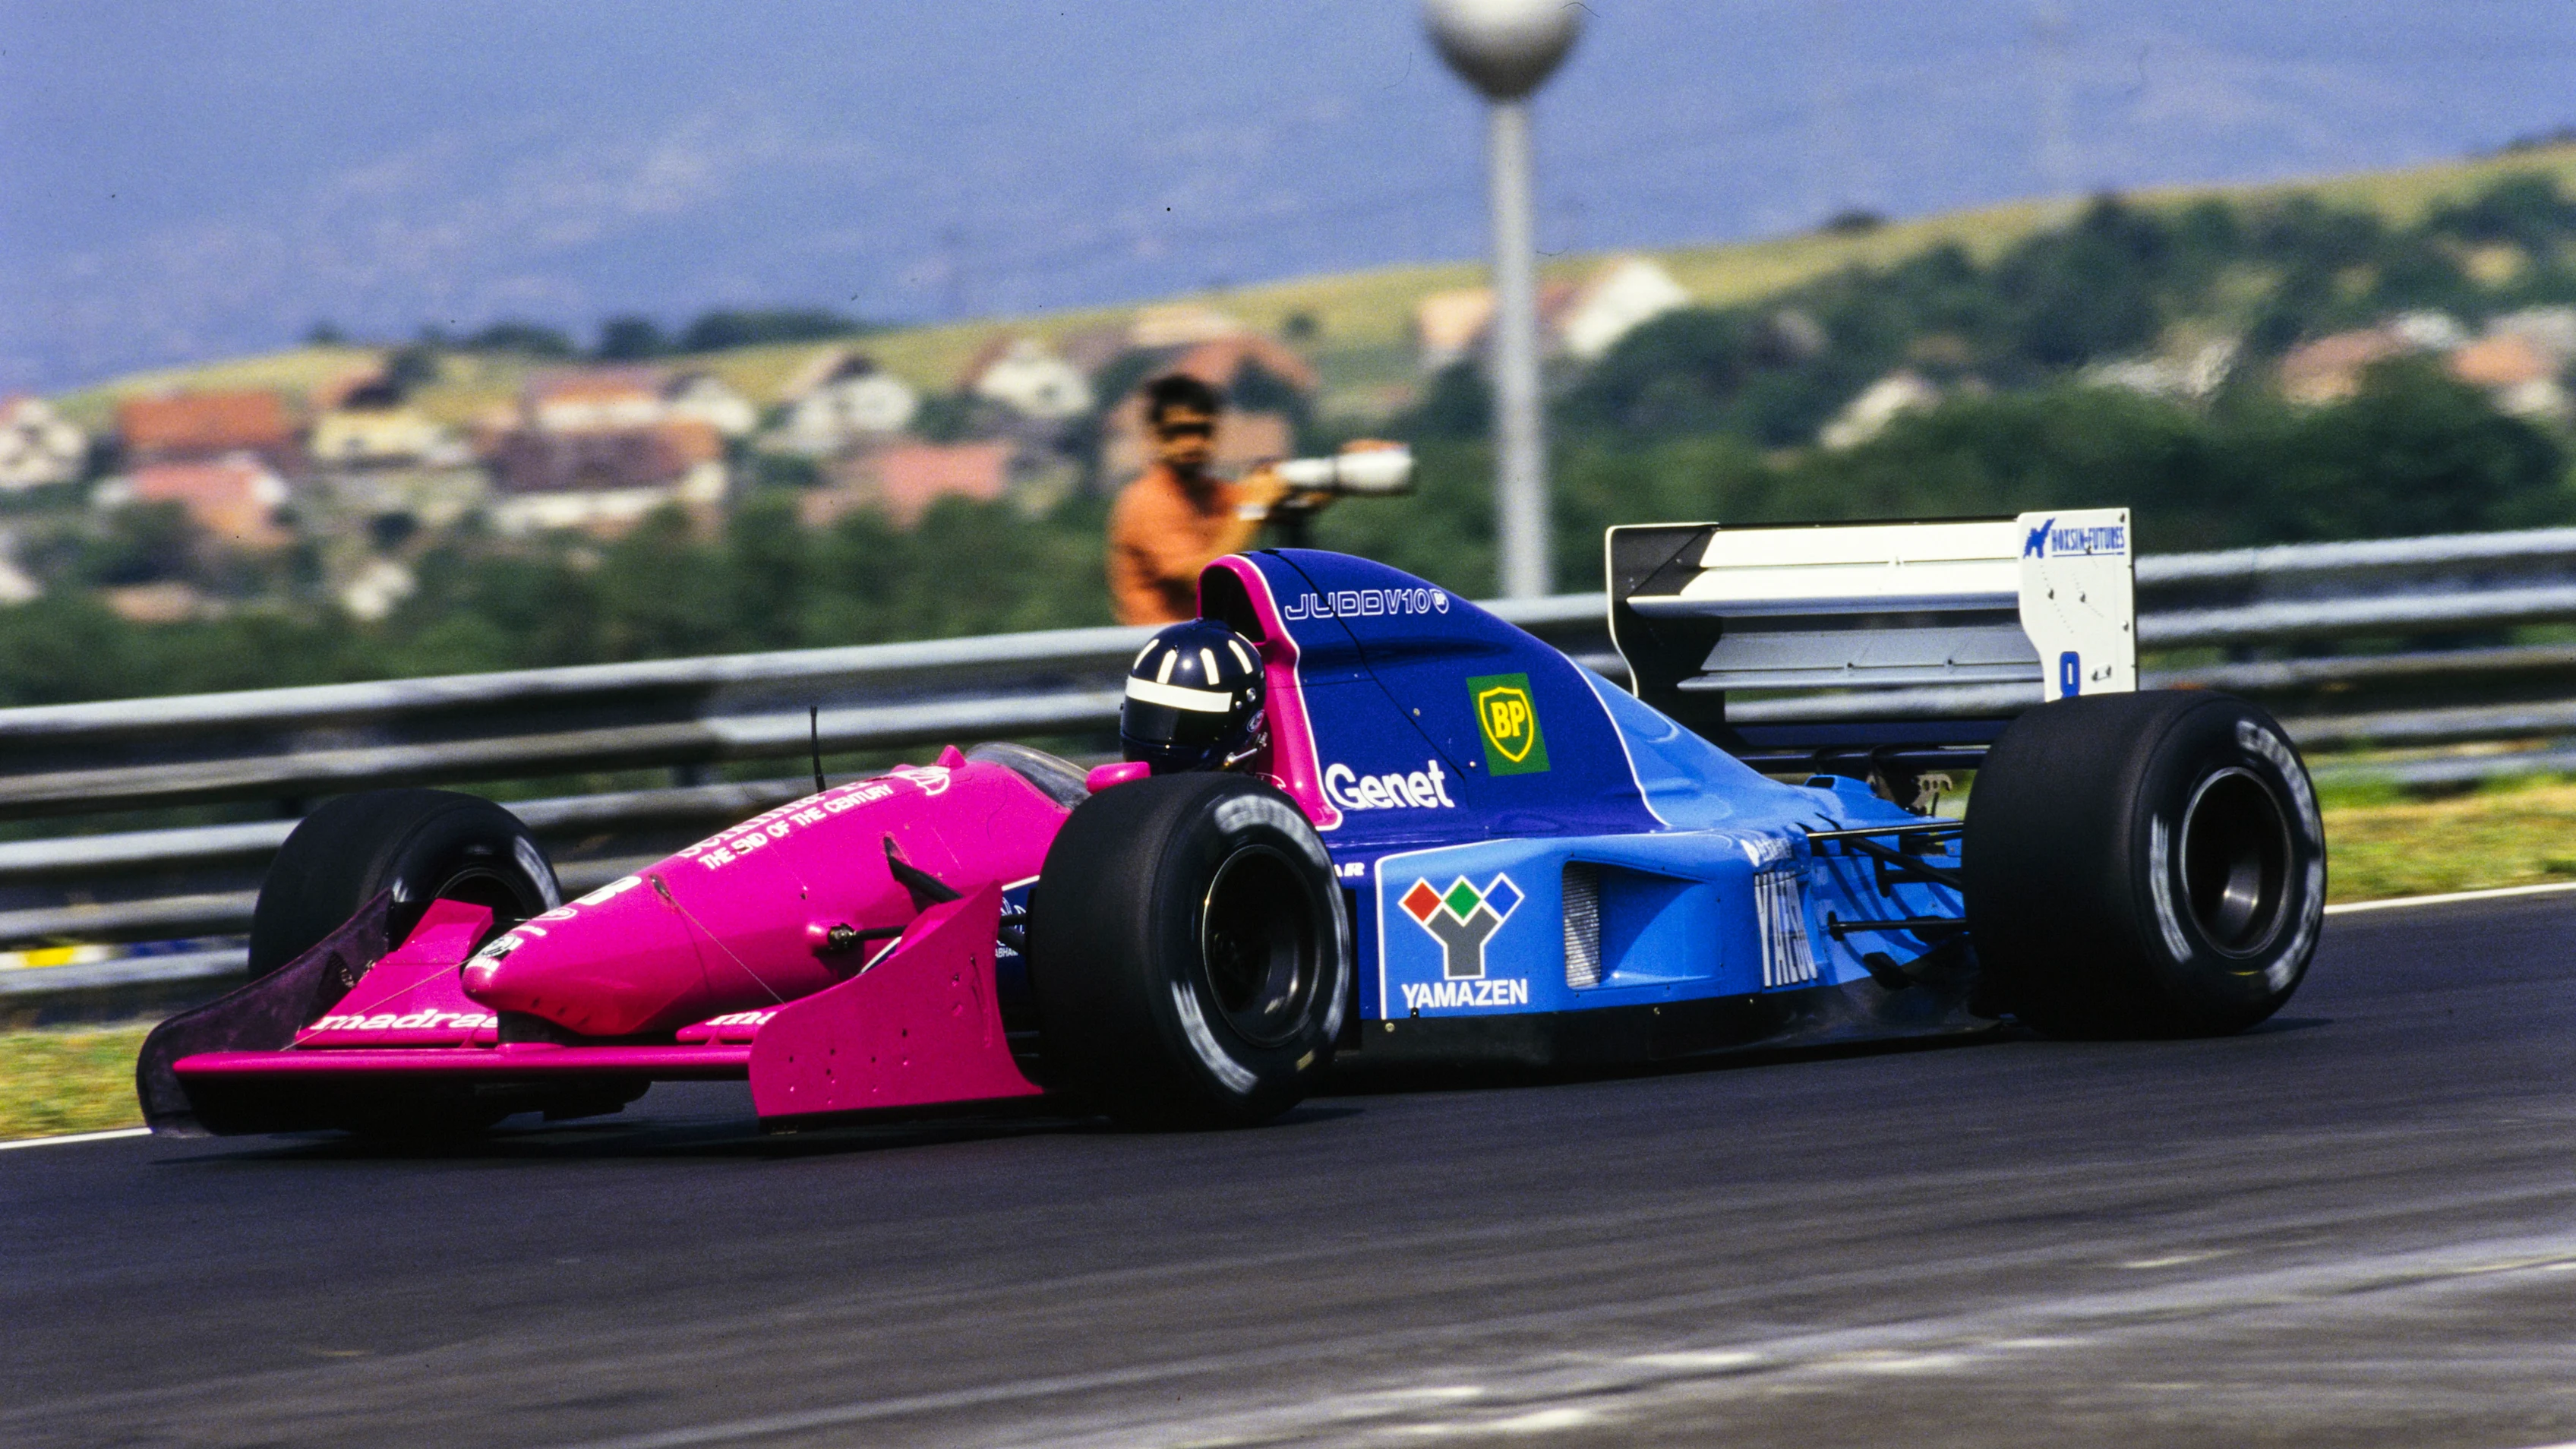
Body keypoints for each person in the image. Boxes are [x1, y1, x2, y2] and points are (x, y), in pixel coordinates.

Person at [1106, 374, 1323, 626]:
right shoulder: (1146, 500)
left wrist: (1350, 466)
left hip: (1210, 645)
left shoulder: (1215, 493)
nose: (1193, 443)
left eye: (1203, 431)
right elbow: (1200, 579)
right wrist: (1253, 507)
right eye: (1180, 431)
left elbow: (1295, 505)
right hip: (1162, 650)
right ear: (1155, 435)